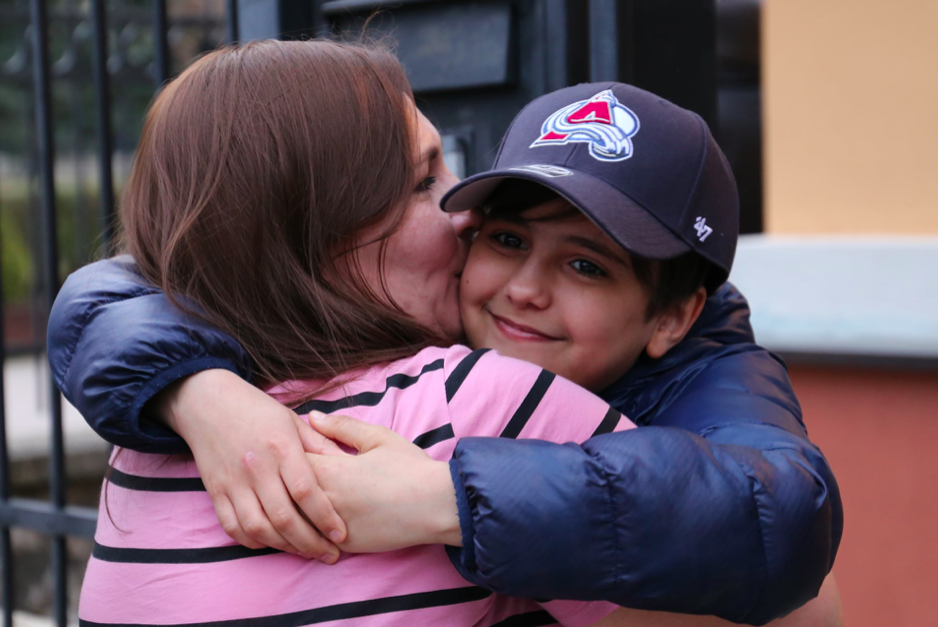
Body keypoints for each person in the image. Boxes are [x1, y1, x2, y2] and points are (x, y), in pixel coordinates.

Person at [49, 52, 842, 625]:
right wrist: (201, 391)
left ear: (674, 315)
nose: (461, 221)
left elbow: (782, 526)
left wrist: (445, 498)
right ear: (319, 233)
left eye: (586, 264)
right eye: (502, 235)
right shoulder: (480, 394)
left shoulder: (142, 445)